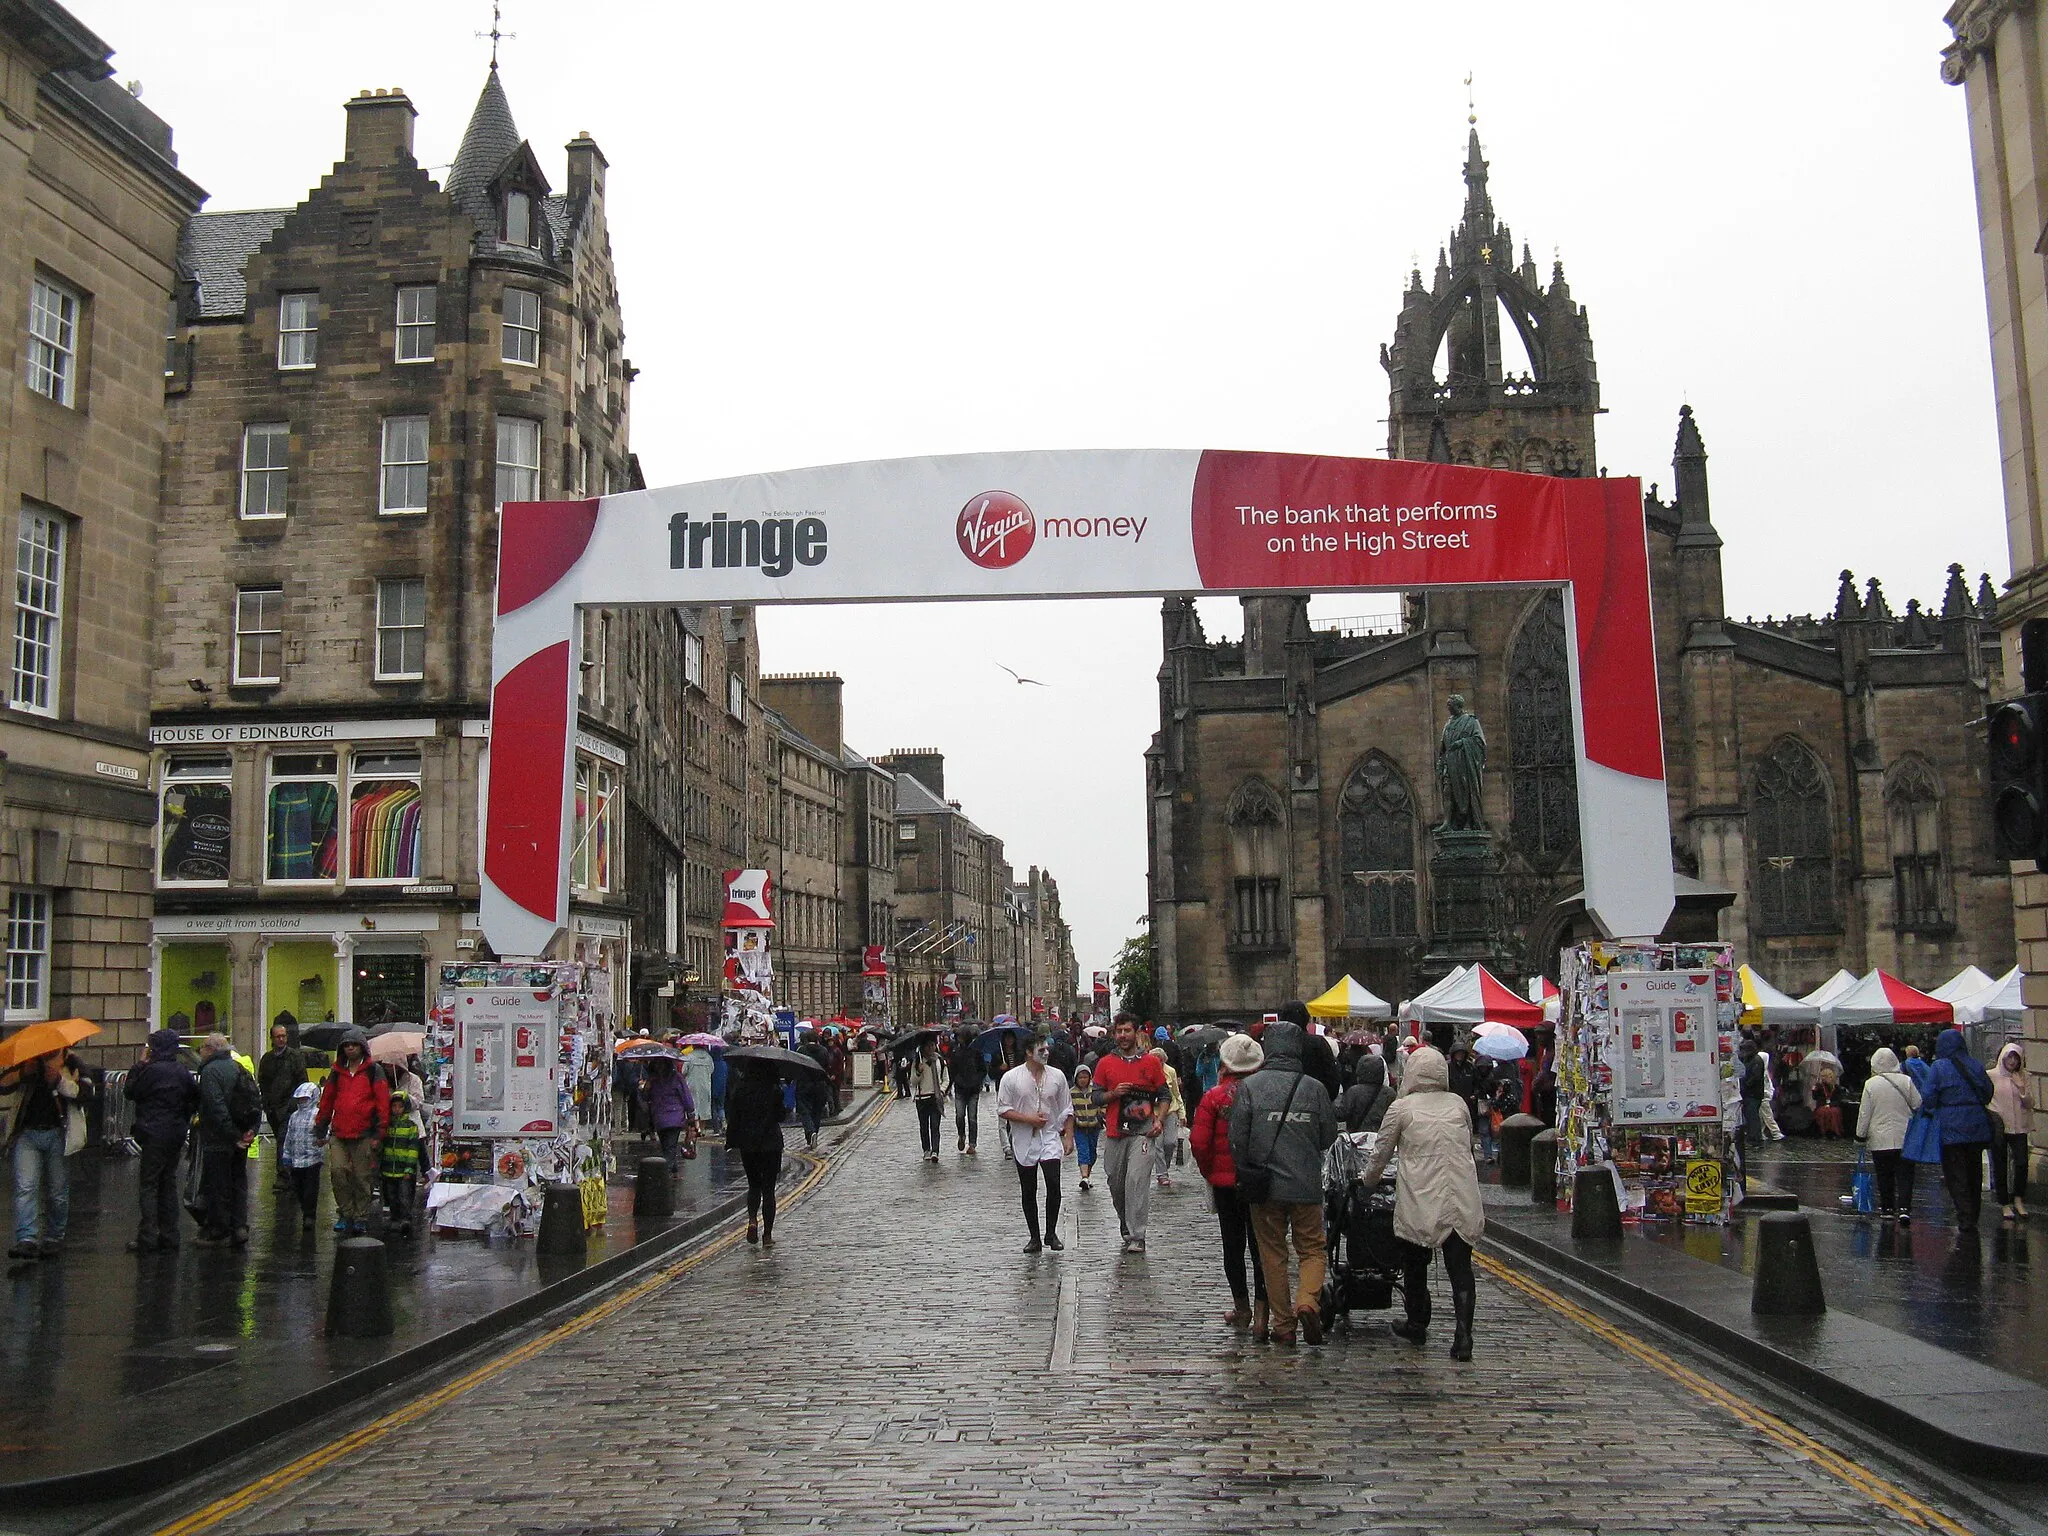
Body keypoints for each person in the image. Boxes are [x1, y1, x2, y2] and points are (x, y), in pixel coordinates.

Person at [1359, 1044, 1484, 1360]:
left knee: (1415, 1261)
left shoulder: (1402, 1108)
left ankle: (1417, 1322)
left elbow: (1381, 1152)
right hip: (1461, 1192)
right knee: (1460, 1266)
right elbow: (1468, 1144)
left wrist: (1367, 1183)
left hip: (1422, 1193)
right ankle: (1464, 1336)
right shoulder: (1457, 1104)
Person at [1228, 1020, 1337, 1345]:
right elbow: (1328, 1135)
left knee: (1272, 1253)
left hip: (1265, 1186)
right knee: (1313, 1249)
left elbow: (1237, 1139)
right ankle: (1307, 1300)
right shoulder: (1314, 1088)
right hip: (1305, 1184)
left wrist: (1246, 1167)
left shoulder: (1250, 1087)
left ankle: (1284, 1326)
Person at [1191, 1033, 1270, 1336]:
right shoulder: (1264, 1093)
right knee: (1262, 1245)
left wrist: (1210, 1171)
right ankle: (1263, 1314)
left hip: (1226, 1182)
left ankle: (1242, 1307)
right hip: (1259, 1179)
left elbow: (1199, 1142)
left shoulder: (1214, 1096)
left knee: (1233, 1245)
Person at [1094, 1013, 1168, 1254]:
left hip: (1143, 1132)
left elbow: (1164, 1095)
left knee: (1136, 1181)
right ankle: (1125, 1221)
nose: (1123, 1036)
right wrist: (1113, 1094)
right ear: (1114, 1034)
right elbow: (1095, 1096)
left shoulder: (1151, 1063)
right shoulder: (1105, 1063)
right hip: (1116, 1132)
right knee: (1116, 1183)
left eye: (1127, 1031)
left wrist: (1160, 1118)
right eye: (1119, 1031)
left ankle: (1138, 1234)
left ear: (1137, 1033)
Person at [124, 1028, 199, 1253]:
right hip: (175, 1132)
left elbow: (130, 1091)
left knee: (149, 1184)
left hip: (153, 1131)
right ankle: (170, 1234)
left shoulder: (150, 1071)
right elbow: (194, 1097)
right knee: (168, 1182)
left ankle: (147, 1236)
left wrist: (139, 1065)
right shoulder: (181, 1070)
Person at [997, 1037, 1073, 1252]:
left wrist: (1068, 1136)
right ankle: (1034, 1237)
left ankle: (1051, 1232)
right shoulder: (1011, 1078)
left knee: (1053, 1183)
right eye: (1042, 1050)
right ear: (1029, 1053)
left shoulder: (1056, 1076)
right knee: (1029, 1189)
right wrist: (1028, 1119)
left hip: (1049, 1136)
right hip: (1024, 1138)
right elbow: (1003, 1109)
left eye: (1047, 1049)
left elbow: (1067, 1108)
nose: (1046, 1053)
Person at [314, 1029, 390, 1237]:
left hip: (365, 1132)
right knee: (338, 1172)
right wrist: (321, 1125)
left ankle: (360, 1217)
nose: (350, 1048)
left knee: (362, 1177)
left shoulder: (374, 1071)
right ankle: (346, 1213)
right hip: (339, 1132)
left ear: (362, 1048)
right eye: (346, 1045)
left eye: (354, 1045)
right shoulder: (337, 1072)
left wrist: (379, 1132)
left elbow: (383, 1102)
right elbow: (327, 1100)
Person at [5, 1049, 80, 1260]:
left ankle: (54, 1236)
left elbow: (83, 1093)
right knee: (25, 1187)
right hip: (27, 1134)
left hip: (58, 1133)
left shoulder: (71, 1063)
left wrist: (58, 1080)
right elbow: (3, 1085)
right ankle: (26, 1239)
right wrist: (22, 1073)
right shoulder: (28, 1062)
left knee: (57, 1190)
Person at [1927, 1027, 1995, 1233]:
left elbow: (1929, 1096)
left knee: (1956, 1174)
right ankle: (1974, 1212)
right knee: (1974, 1171)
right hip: (1977, 1126)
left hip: (1952, 1128)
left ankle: (1965, 1217)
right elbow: (1988, 1090)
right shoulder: (1974, 1064)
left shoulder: (1939, 1067)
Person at [195, 1032, 260, 1247]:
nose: (200, 1050)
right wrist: (249, 1131)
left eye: (203, 1046)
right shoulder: (239, 1067)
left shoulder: (211, 1071)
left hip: (219, 1138)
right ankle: (239, 1226)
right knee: (239, 1182)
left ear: (212, 1050)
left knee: (219, 1184)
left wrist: (232, 1135)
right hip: (241, 1136)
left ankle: (219, 1230)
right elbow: (254, 1100)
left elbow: (216, 1107)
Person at [1854, 1046, 1921, 1225]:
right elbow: (1918, 1104)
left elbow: (1864, 1113)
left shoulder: (1871, 1084)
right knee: (1905, 1174)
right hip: (1904, 1136)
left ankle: (1887, 1208)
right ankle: (1905, 1208)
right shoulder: (1906, 1081)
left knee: (1884, 1174)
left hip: (1880, 1137)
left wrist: (1860, 1136)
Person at [725, 1062, 785, 1245]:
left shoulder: (741, 1090)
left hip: (748, 1144)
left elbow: (733, 1117)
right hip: (770, 1143)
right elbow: (780, 1116)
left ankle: (752, 1221)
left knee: (753, 1185)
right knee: (768, 1189)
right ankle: (767, 1235)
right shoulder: (775, 1090)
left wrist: (730, 1141)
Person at [257, 1016, 308, 1168]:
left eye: (283, 1036)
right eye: (278, 1036)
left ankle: (284, 1176)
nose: (281, 1039)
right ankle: (284, 1174)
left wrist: (293, 1104)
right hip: (273, 1109)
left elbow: (302, 1081)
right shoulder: (267, 1059)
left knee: (283, 1141)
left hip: (289, 1108)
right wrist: (267, 1105)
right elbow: (263, 1083)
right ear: (272, 1038)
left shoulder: (295, 1057)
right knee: (281, 1141)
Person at [1991, 1041, 2031, 1222]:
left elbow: (2030, 1103)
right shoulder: (1991, 1075)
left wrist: (2021, 1087)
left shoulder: (2024, 1076)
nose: (2012, 1061)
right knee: (2000, 1163)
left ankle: (2018, 1198)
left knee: (2022, 1162)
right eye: (2009, 1057)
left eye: (2016, 1058)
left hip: (2019, 1126)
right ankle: (2004, 1202)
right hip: (2000, 1126)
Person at [280, 1081, 324, 1232]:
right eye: (300, 1099)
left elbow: (326, 1130)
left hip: (312, 1159)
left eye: (305, 1098)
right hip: (296, 1160)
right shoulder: (294, 1116)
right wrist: (286, 1155)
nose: (302, 1101)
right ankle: (305, 1210)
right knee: (298, 1188)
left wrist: (323, 1139)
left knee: (310, 1189)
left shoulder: (318, 1114)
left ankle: (309, 1215)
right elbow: (289, 1136)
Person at [1276, 1001, 1341, 1099]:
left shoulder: (1275, 1044)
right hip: (1313, 1099)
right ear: (1306, 1017)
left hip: (1281, 1100)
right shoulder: (1317, 1043)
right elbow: (1331, 1076)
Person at [643, 1057, 696, 1169]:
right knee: (668, 1146)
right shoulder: (676, 1078)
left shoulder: (654, 1079)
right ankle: (671, 1170)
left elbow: (646, 1098)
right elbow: (686, 1096)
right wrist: (691, 1113)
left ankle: (668, 1171)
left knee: (668, 1146)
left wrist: (645, 1090)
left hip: (662, 1117)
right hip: (672, 1117)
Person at [1150, 1045, 1186, 1189]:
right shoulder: (1147, 1072)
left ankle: (1164, 1167)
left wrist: (1182, 1113)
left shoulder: (1170, 1071)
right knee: (1157, 1144)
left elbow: (1177, 1094)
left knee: (1170, 1143)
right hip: (1154, 1113)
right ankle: (1162, 1174)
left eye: (1160, 1061)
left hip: (1171, 1111)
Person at [950, 1026, 986, 1155]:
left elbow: (983, 1069)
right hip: (960, 1089)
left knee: (972, 1118)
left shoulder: (976, 1052)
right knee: (960, 1116)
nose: (959, 1039)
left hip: (973, 1090)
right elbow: (952, 1070)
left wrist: (977, 1080)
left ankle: (972, 1144)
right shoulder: (955, 1052)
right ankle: (961, 1135)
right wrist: (954, 1082)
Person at [909, 1039, 947, 1162]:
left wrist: (941, 1091)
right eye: (928, 1046)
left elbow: (946, 1079)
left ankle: (935, 1150)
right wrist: (919, 1071)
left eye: (933, 1045)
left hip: (935, 1097)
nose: (931, 1048)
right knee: (924, 1126)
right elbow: (913, 1082)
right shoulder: (918, 1062)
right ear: (923, 1047)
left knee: (935, 1125)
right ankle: (926, 1149)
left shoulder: (940, 1061)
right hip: (922, 1098)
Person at [1337, 1054, 1395, 1134]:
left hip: (1357, 1136)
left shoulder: (1354, 1091)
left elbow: (1341, 1115)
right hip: (1380, 1135)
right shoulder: (1389, 1093)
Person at [1070, 1065, 1103, 1190]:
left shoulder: (1094, 1091)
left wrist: (1101, 1115)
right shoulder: (1072, 1093)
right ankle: (1084, 1176)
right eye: (1080, 1077)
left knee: (1092, 1152)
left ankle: (1087, 1176)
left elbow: (1102, 1103)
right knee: (1083, 1150)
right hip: (1079, 1127)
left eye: (1085, 1077)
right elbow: (1068, 1109)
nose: (1083, 1080)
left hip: (1094, 1126)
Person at [680, 1043, 716, 1146]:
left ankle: (696, 1128)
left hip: (692, 1084)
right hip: (705, 1084)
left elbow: (683, 1071)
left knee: (693, 1105)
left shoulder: (689, 1057)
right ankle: (702, 1129)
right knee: (704, 1106)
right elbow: (712, 1070)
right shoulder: (709, 1058)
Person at [1737, 1038, 1766, 1152]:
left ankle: (1756, 1140)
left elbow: (1755, 1077)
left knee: (1753, 1118)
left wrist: (1744, 1086)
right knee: (1750, 1117)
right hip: (1750, 1093)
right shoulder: (1750, 1059)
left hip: (1753, 1094)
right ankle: (1752, 1138)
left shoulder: (1756, 1060)